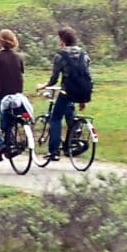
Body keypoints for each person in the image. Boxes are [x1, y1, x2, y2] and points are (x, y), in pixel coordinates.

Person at [39, 26, 92, 165]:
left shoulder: (60, 56)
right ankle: (73, 138)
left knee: (55, 118)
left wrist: (43, 85)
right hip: (83, 91)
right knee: (70, 113)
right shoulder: (84, 54)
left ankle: (54, 151)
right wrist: (83, 99)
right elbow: (86, 75)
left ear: (62, 40)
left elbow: (54, 79)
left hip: (67, 91)